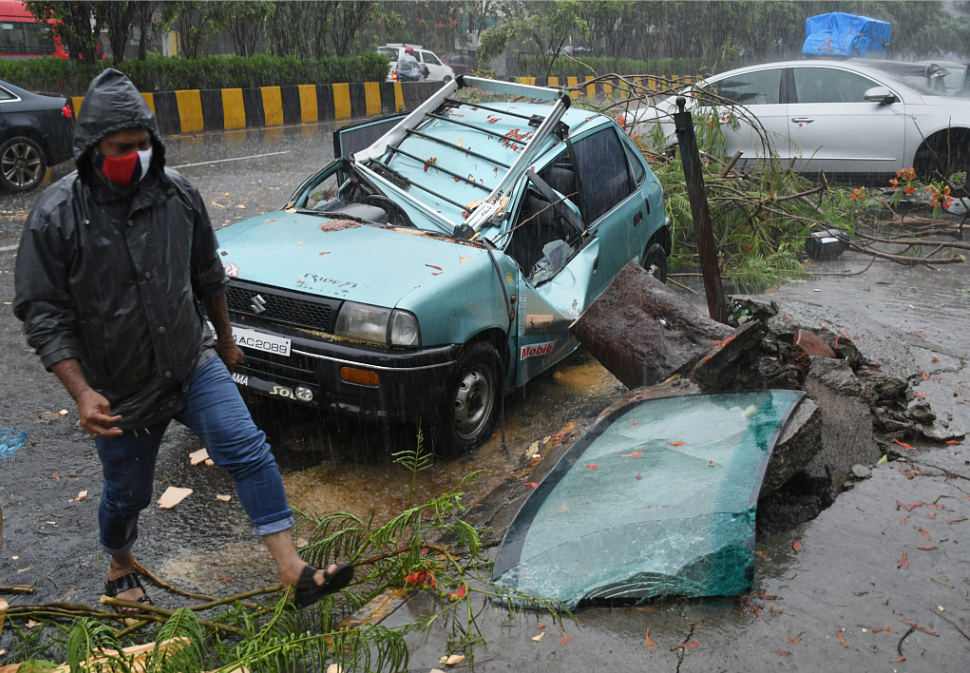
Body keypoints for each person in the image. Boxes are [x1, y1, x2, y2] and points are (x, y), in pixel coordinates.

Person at [13, 69, 352, 612]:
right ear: (92, 148)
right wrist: (81, 392)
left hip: (191, 362)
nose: (136, 157)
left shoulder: (178, 195)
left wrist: (225, 340)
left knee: (246, 447)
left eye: (143, 144)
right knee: (128, 495)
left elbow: (208, 274)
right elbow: (41, 313)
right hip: (118, 388)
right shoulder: (56, 216)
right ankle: (120, 564)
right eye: (122, 148)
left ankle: (294, 571)